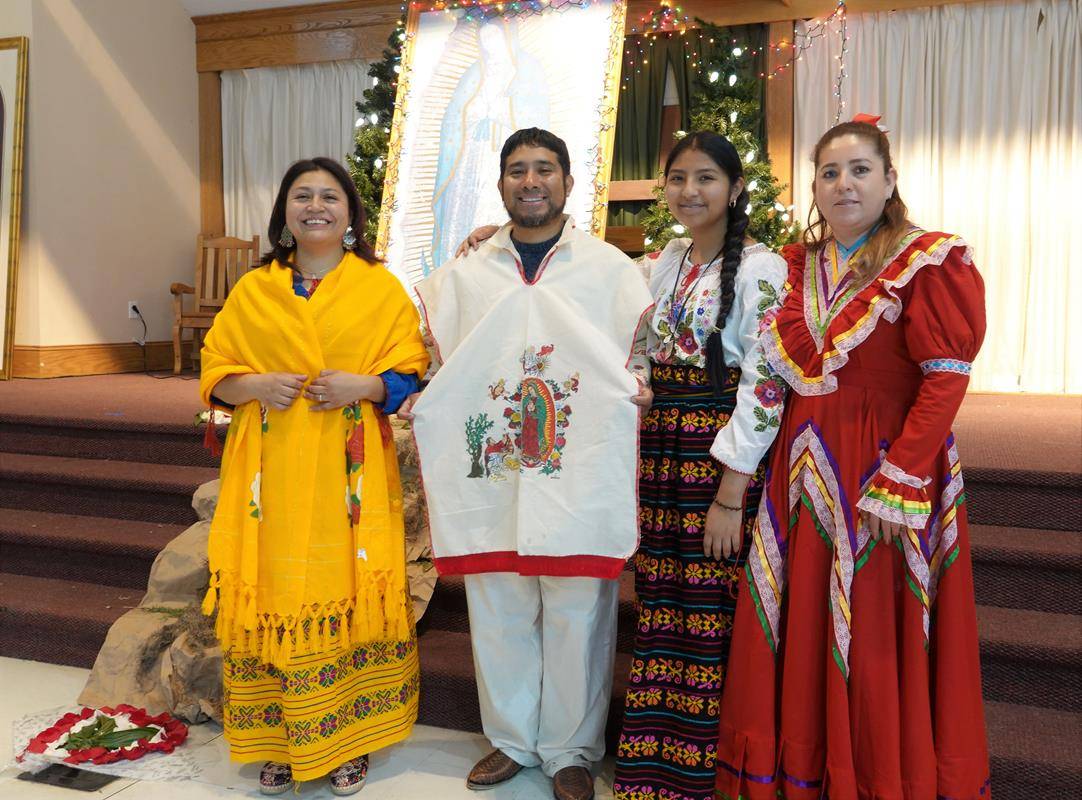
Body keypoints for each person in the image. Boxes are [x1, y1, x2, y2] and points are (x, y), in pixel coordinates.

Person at [715, 118, 990, 799]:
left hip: (882, 465)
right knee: (801, 618)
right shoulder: (792, 265)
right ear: (814, 185)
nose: (844, 185)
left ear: (889, 179)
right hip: (803, 467)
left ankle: (872, 775)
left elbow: (945, 378)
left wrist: (902, 478)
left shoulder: (926, 259)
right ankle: (806, 769)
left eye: (860, 170)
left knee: (872, 629)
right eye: (830, 173)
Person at [400, 127, 654, 800]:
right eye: (517, 170)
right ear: (502, 183)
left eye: (545, 169)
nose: (531, 180)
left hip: (576, 471)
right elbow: (436, 359)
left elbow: (634, 359)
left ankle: (571, 749)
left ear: (569, 182)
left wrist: (640, 383)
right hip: (497, 472)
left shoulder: (607, 268)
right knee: (500, 603)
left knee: (579, 611)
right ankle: (512, 740)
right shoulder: (469, 271)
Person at [199, 157, 429, 796]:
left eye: (331, 196)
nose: (317, 206)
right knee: (270, 586)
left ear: (352, 213)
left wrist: (367, 384)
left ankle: (348, 738)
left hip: (346, 468)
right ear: (285, 213)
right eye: (303, 196)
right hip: (269, 469)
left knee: (347, 585)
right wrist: (253, 384)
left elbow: (410, 368)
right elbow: (216, 367)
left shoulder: (378, 289)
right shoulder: (256, 290)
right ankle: (280, 738)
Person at [609, 131, 786, 800]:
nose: (690, 191)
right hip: (659, 452)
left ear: (736, 188)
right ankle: (654, 766)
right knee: (663, 601)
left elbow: (767, 385)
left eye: (706, 178)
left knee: (713, 606)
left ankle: (711, 771)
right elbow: (624, 335)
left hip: (716, 457)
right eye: (678, 178)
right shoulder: (663, 260)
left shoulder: (764, 268)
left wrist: (731, 491)